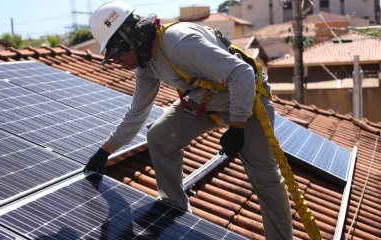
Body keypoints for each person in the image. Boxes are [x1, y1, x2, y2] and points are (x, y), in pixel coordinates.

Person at [84, 1, 293, 239]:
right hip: (205, 100)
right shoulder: (146, 67)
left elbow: (242, 74)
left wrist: (237, 126)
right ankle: (174, 206)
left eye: (117, 53)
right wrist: (105, 151)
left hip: (247, 99)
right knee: (159, 135)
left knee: (265, 178)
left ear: (130, 39)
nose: (117, 61)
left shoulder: (179, 43)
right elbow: (137, 113)